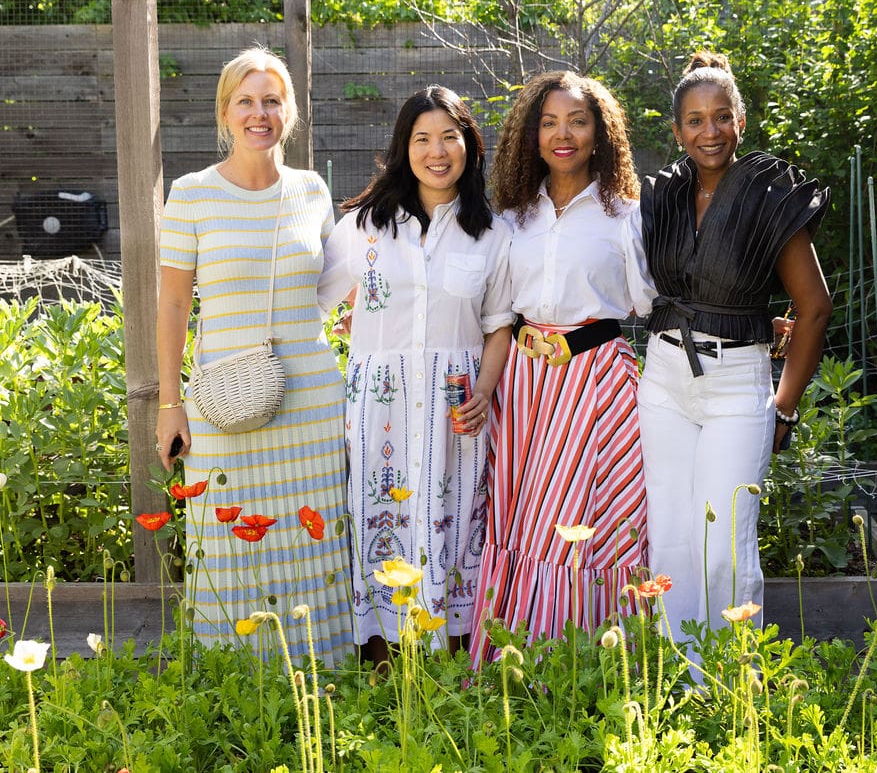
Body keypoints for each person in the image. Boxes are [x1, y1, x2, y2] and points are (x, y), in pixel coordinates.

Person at [154, 46, 354, 667]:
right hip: (222, 401)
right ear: (225, 111)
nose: (259, 113)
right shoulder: (191, 195)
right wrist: (169, 405)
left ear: (289, 112)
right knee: (225, 535)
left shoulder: (312, 190)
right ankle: (232, 677)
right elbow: (171, 308)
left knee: (313, 537)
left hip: (313, 400)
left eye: (272, 100)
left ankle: (324, 671)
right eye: (246, 100)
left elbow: (334, 285)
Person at [636, 51, 832, 643]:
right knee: (669, 537)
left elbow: (815, 306)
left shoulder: (770, 195)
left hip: (736, 384)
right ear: (676, 131)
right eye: (694, 120)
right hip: (665, 377)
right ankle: (678, 674)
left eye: (721, 117)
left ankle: (730, 684)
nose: (709, 131)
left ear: (740, 121)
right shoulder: (661, 196)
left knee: (723, 545)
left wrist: (786, 405)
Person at [317, 85, 513, 665]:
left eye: (449, 137)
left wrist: (483, 391)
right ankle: (381, 666)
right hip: (381, 411)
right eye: (422, 138)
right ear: (404, 148)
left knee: (457, 524)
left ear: (469, 146)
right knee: (381, 519)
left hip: (460, 410)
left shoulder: (492, 233)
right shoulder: (363, 229)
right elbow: (314, 305)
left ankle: (454, 664)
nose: (437, 151)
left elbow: (500, 324)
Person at [470, 71, 655, 664]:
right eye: (549, 122)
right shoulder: (511, 219)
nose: (563, 134)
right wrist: (485, 390)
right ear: (533, 135)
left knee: (587, 523)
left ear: (601, 133)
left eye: (577, 121)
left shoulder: (626, 215)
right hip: (524, 389)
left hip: (597, 382)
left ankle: (589, 663)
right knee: (522, 520)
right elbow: (498, 315)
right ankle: (512, 660)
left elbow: (651, 303)